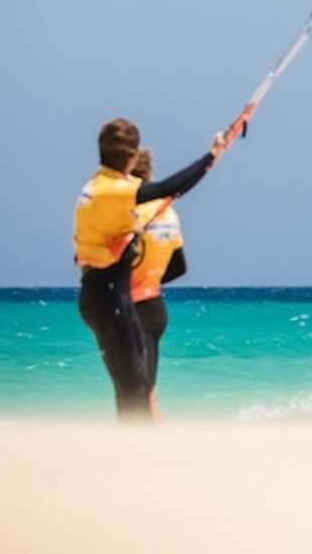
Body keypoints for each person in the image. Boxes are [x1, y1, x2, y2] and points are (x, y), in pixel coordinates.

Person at [74, 118, 225, 420]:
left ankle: (133, 449)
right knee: (136, 387)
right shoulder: (114, 192)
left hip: (101, 293)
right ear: (131, 156)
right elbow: (171, 188)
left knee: (132, 385)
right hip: (110, 298)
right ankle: (136, 450)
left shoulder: (95, 187)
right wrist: (211, 157)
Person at [128, 149, 190, 420]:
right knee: (148, 384)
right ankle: (153, 440)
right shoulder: (169, 214)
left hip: (133, 306)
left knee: (135, 388)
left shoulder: (130, 212)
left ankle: (146, 440)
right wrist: (151, 278)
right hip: (155, 305)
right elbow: (179, 267)